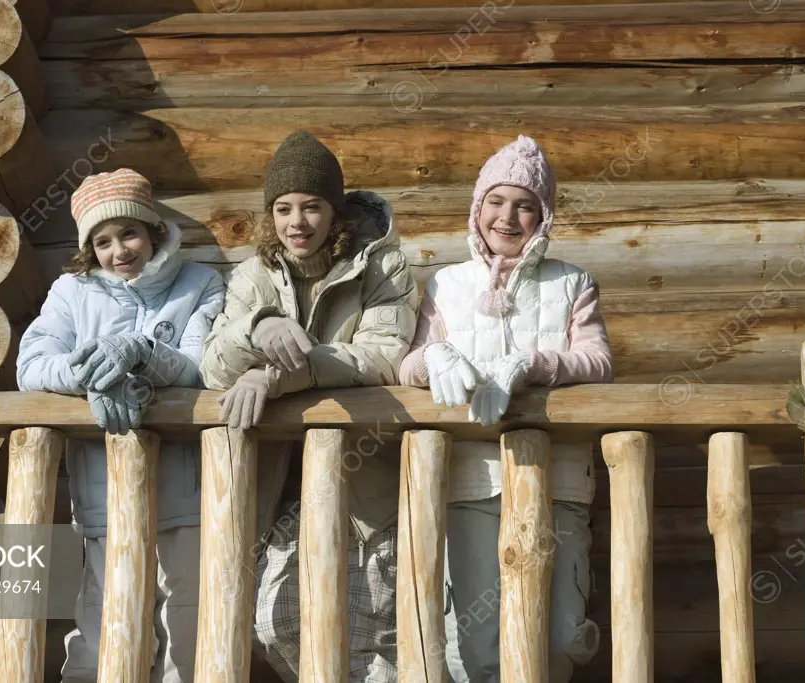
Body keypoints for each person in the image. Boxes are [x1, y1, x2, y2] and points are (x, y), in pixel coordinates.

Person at [200, 130, 418, 682]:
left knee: (376, 635)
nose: (297, 222)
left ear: (334, 211)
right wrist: (260, 327)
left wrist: (277, 378)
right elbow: (213, 364)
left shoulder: (382, 269)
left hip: (366, 482)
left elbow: (383, 358)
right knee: (274, 623)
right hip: (280, 490)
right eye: (283, 208)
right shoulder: (251, 278)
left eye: (311, 206)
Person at [399, 135, 614, 683]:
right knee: (476, 641)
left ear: (542, 216)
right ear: (478, 207)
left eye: (525, 204)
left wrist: (534, 363)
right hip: (470, 483)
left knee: (561, 632)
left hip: (557, 479)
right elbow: (409, 366)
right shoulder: (447, 283)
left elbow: (598, 361)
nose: (508, 216)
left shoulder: (572, 282)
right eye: (497, 201)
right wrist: (435, 358)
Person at [16, 168, 225, 683]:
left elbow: (201, 365)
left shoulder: (199, 283)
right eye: (103, 241)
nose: (119, 250)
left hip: (186, 487)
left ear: (153, 229)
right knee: (107, 612)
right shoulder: (71, 292)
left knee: (189, 615)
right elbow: (32, 365)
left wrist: (141, 354)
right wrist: (91, 376)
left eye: (129, 233)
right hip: (102, 488)